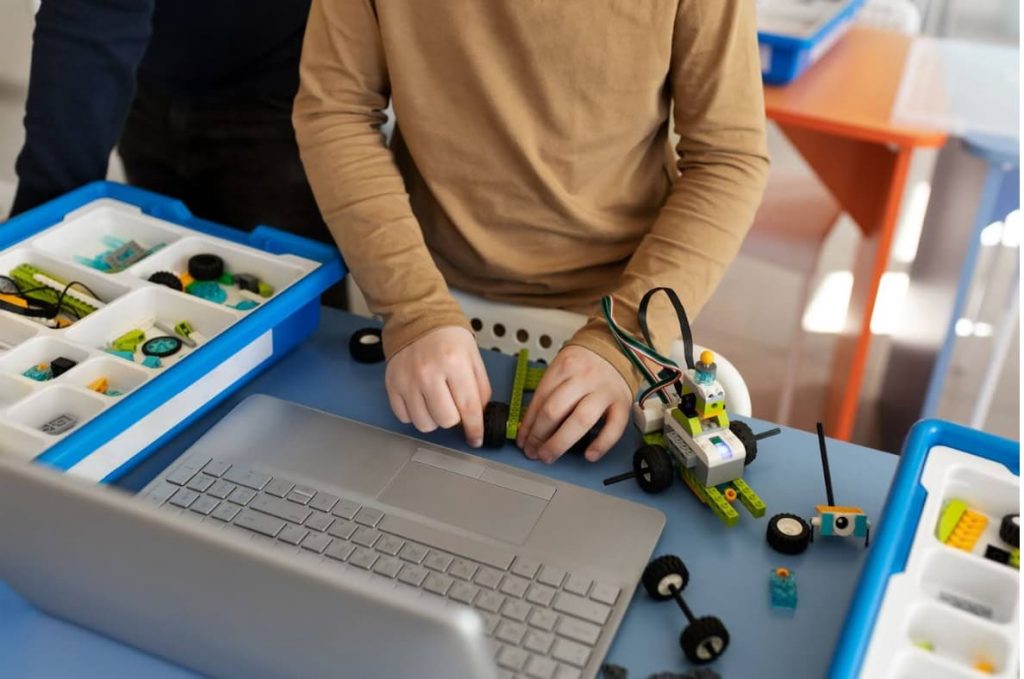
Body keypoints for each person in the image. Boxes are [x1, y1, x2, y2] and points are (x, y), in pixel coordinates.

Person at [294, 1, 769, 464]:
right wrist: (413, 307)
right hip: (423, 291)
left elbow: (727, 158)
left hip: (615, 308)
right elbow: (336, 111)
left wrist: (625, 338)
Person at [9, 0, 327, 251]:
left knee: (298, 303)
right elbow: (94, 14)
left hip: (286, 96)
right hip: (147, 82)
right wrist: (41, 222)